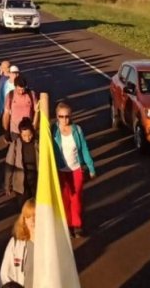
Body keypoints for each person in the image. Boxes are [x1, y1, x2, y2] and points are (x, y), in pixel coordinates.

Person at [52, 102, 96, 238]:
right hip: (61, 171)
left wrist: (91, 167)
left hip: (76, 169)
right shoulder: (53, 131)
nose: (64, 119)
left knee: (75, 198)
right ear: (57, 116)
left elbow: (84, 148)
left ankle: (77, 225)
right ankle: (68, 225)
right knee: (64, 200)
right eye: (61, 116)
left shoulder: (77, 130)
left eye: (67, 116)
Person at [0, 199, 36, 288]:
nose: (33, 220)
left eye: (36, 216)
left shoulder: (50, 245)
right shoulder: (15, 244)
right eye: (28, 216)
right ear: (24, 220)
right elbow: (5, 274)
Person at [5, 118, 38, 209]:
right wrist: (7, 184)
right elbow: (9, 165)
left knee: (37, 206)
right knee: (24, 208)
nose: (28, 138)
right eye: (24, 135)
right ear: (20, 134)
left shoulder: (37, 143)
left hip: (36, 180)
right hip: (21, 182)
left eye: (29, 135)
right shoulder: (15, 145)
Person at [2, 76, 38, 143]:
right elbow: (6, 114)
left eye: (23, 89)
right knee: (17, 149)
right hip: (15, 131)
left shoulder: (31, 94)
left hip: (28, 131)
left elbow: (37, 111)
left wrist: (35, 126)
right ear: (15, 86)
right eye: (19, 90)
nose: (21, 92)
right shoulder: (10, 95)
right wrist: (6, 131)